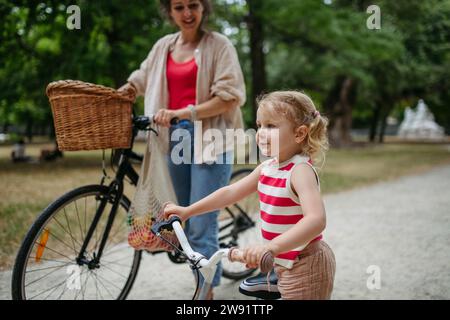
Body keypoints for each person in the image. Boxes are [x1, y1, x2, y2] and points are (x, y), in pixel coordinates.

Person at [118, 0, 246, 299]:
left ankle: (204, 293)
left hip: (209, 137)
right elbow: (141, 75)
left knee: (201, 221)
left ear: (204, 8)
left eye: (193, 5)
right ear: (169, 11)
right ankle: (201, 268)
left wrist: (185, 112)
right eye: (179, 7)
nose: (187, 13)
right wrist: (126, 90)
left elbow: (230, 97)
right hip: (171, 136)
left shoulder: (219, 45)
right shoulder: (164, 46)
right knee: (181, 215)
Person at [164, 91, 336, 300]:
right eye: (260, 125)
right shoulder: (267, 167)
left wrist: (271, 247)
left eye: (271, 126)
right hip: (281, 263)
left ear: (299, 134)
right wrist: (187, 211)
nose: (261, 132)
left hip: (305, 264)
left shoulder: (299, 170)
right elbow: (230, 192)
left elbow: (316, 219)